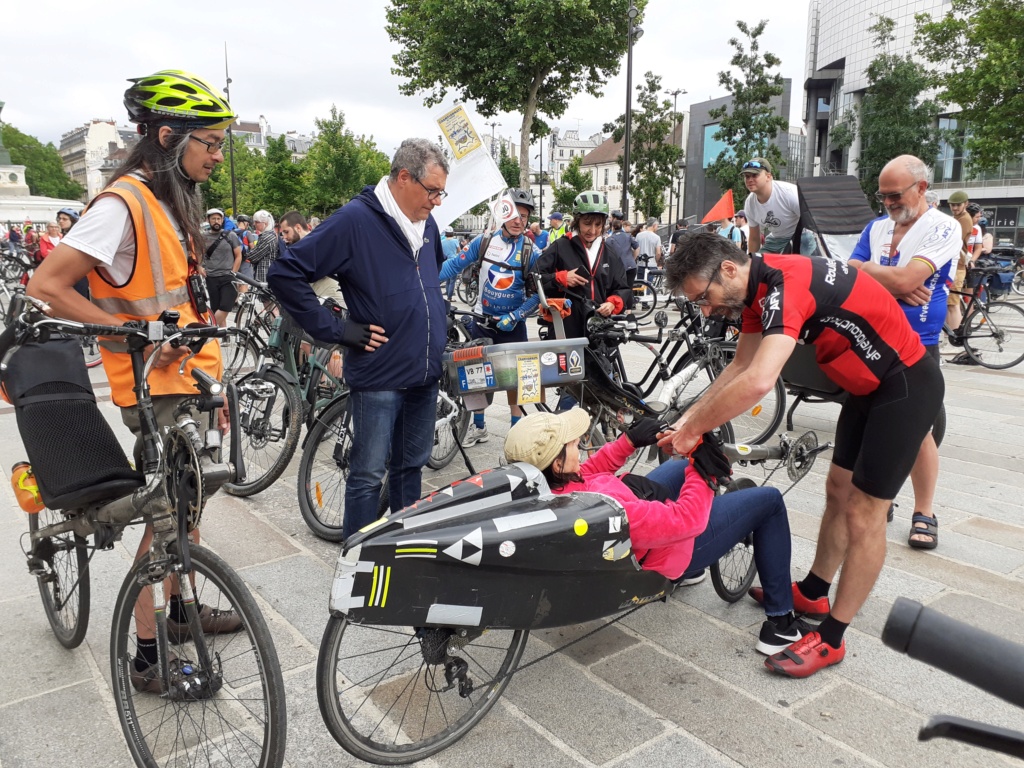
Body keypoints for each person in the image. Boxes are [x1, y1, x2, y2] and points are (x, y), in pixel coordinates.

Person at [26, 68, 242, 693]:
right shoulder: (122, 203)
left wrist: (214, 388)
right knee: (162, 518)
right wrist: (123, 332)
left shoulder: (172, 202)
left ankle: (180, 612)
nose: (217, 154)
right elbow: (47, 286)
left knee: (189, 507)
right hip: (152, 387)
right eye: (211, 142)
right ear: (170, 137)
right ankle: (147, 655)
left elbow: (186, 304)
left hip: (188, 380)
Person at [658, 231, 943, 678]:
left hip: (906, 385)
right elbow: (738, 366)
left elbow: (758, 381)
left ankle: (832, 638)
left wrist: (694, 429)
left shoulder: (784, 289)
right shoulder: (757, 287)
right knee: (837, 490)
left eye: (705, 298)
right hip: (866, 390)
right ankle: (813, 589)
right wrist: (686, 418)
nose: (707, 311)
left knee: (865, 512)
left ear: (728, 269)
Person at [504, 410, 813, 655]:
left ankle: (692, 572)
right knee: (770, 500)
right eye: (573, 444)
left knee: (679, 468)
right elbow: (687, 520)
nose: (581, 444)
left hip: (639, 510)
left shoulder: (550, 490)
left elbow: (587, 474)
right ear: (557, 463)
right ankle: (781, 624)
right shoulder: (606, 512)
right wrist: (703, 475)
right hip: (674, 550)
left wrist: (628, 441)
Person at [268, 138, 449, 538]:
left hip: (424, 372)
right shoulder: (355, 220)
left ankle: (403, 553)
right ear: (404, 177)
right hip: (380, 373)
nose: (437, 201)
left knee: (410, 468)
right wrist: (337, 330)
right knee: (367, 475)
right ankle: (359, 571)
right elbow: (285, 273)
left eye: (441, 192)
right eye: (432, 190)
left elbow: (427, 281)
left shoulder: (427, 223)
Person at [847, 154, 960, 550]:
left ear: (921, 188)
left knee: (918, 430)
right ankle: (881, 493)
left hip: (917, 340)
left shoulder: (942, 226)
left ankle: (925, 511)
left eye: (895, 195)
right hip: (873, 337)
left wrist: (876, 275)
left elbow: (910, 279)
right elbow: (849, 272)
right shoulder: (877, 226)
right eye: (883, 197)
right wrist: (888, 281)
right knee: (871, 420)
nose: (889, 204)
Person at [439, 188, 541, 444]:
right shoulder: (483, 242)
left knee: (515, 382)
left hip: (512, 327)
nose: (519, 220)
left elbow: (540, 294)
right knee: (476, 379)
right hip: (482, 323)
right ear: (503, 213)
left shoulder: (531, 252)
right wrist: (424, 279)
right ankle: (480, 427)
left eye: (525, 216)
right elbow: (453, 265)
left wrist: (517, 314)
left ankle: (516, 433)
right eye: (515, 214)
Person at [535, 190, 630, 340]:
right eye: (587, 223)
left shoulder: (610, 253)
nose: (592, 230)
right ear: (577, 221)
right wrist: (561, 278)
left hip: (599, 328)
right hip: (565, 328)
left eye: (598, 225)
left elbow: (622, 287)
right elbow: (533, 280)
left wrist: (612, 303)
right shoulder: (561, 247)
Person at [739, 158, 801, 254]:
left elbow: (812, 226)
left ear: (768, 177)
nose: (750, 180)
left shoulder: (790, 194)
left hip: (801, 236)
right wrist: (752, 262)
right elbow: (754, 238)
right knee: (759, 265)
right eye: (747, 176)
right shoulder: (750, 203)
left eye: (755, 175)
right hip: (777, 239)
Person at [202, 208, 242, 326]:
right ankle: (223, 335)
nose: (216, 221)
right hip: (211, 277)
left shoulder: (231, 235)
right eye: (213, 218)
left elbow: (238, 255)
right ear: (208, 220)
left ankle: (208, 330)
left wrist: (233, 272)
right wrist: (200, 267)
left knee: (225, 306)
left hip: (228, 277)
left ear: (222, 220)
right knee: (216, 308)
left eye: (219, 219)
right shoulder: (203, 237)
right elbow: (197, 254)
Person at [946, 190, 973, 332]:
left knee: (952, 303)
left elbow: (952, 241)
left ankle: (955, 337)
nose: (955, 208)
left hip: (957, 265)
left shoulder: (964, 219)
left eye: (958, 205)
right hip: (955, 264)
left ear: (966, 204)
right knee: (950, 303)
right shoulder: (958, 218)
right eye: (952, 205)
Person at [605, 213, 640, 306]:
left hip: (619, 268)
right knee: (629, 288)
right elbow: (637, 247)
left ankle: (620, 307)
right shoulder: (628, 236)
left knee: (620, 289)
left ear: (612, 228)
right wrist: (633, 258)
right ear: (622, 227)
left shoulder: (610, 239)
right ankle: (629, 311)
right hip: (631, 266)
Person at [248, 209, 277, 282]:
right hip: (269, 274)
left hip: (264, 276)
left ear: (266, 223)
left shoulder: (266, 238)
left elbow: (253, 257)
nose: (254, 224)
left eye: (257, 222)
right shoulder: (272, 235)